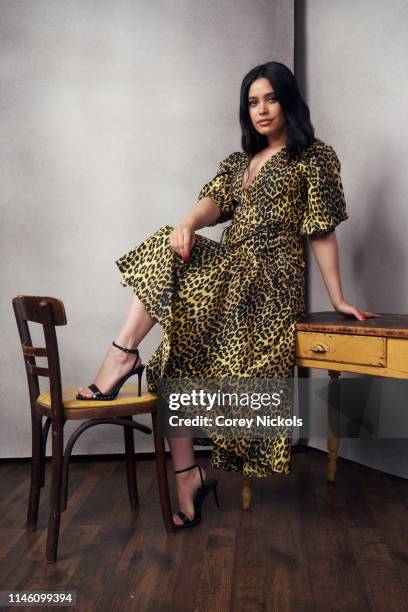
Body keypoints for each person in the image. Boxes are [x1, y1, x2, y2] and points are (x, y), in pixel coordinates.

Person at [76, 61, 380, 528]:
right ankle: (187, 477)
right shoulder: (240, 162)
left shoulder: (313, 157)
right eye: (253, 102)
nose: (261, 110)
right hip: (229, 272)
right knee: (173, 344)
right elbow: (213, 201)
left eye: (270, 99)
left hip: (269, 284)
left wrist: (338, 297)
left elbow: (321, 232)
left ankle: (119, 357)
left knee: (167, 253)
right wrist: (187, 224)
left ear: (288, 101)